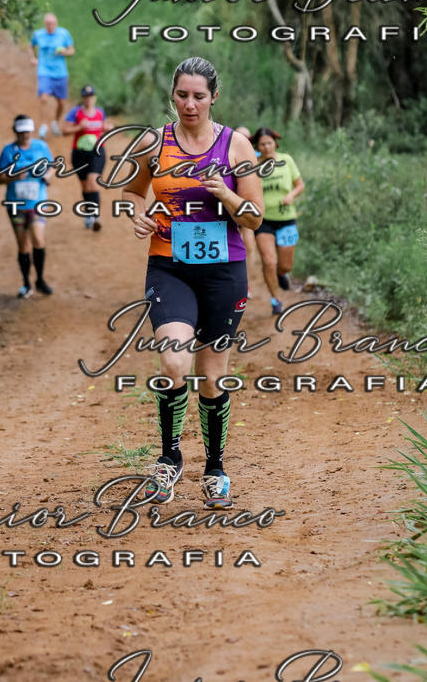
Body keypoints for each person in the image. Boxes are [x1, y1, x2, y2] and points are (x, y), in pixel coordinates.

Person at [123, 57, 263, 509]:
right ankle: (169, 459)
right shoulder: (154, 143)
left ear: (213, 97)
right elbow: (130, 193)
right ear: (173, 95)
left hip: (224, 271)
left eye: (198, 96)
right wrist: (138, 216)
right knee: (173, 363)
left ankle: (216, 469)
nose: (189, 104)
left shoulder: (236, 145)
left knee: (212, 375)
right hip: (170, 266)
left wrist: (225, 193)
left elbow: (256, 218)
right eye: (182, 95)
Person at [0, 115, 55, 298]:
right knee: (23, 245)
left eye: (28, 131)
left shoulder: (41, 146)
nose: (25, 135)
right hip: (16, 205)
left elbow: (52, 166)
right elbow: (0, 178)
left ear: (32, 130)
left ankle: (40, 279)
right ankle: (26, 283)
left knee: (38, 239)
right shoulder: (8, 151)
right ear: (16, 132)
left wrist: (48, 176)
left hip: (37, 202)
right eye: (21, 132)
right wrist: (14, 176)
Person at [250, 127, 305, 315]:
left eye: (269, 143)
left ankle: (282, 275)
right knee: (268, 261)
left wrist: (291, 195)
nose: (266, 147)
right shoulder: (254, 166)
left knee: (284, 266)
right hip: (263, 220)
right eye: (262, 144)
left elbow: (300, 185)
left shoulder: (286, 160)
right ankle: (275, 300)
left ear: (275, 143)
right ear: (257, 146)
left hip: (287, 218)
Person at [63, 85, 112, 231]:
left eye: (91, 96)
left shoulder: (100, 112)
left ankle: (96, 217)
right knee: (85, 186)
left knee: (93, 182)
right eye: (86, 97)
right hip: (79, 153)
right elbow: (64, 130)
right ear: (82, 98)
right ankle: (88, 213)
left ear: (94, 98)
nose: (88, 99)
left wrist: (107, 127)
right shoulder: (75, 113)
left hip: (97, 152)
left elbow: (104, 126)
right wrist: (79, 127)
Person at [29, 13, 74, 139]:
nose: (51, 26)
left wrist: (64, 52)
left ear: (56, 23)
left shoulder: (64, 34)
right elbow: (30, 46)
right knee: (44, 98)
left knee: (61, 103)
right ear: (45, 24)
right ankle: (43, 126)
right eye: (48, 24)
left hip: (60, 72)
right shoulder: (38, 35)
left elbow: (72, 51)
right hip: (44, 71)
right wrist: (33, 58)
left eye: (53, 23)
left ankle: (55, 122)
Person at [234, 126, 256, 298]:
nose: (244, 139)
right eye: (241, 136)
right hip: (226, 206)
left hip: (246, 205)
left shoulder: (255, 156)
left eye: (247, 137)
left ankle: (246, 283)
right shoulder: (228, 150)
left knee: (248, 245)